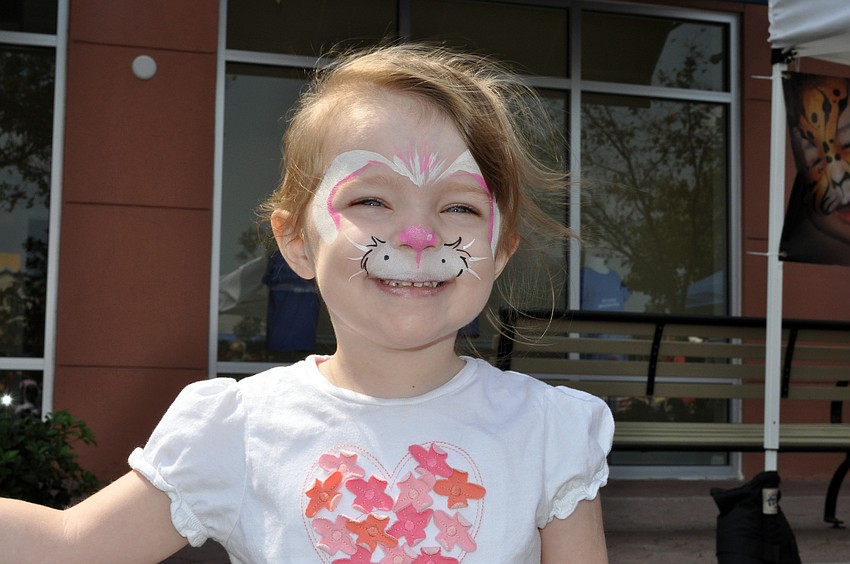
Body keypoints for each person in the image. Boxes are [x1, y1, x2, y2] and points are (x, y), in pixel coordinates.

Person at [0, 43, 613, 563]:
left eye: (460, 207)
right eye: (371, 200)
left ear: (500, 249)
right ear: (296, 241)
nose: (419, 235)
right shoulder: (238, 430)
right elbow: (69, 543)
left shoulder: (547, 433)